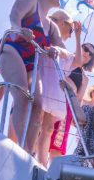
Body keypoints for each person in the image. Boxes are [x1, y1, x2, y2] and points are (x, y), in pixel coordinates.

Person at [0, 0, 65, 153]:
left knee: (38, 104)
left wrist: (56, 50)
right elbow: (14, 16)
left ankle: (29, 152)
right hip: (13, 49)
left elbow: (64, 49)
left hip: (31, 63)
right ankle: (23, 149)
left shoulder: (52, 26)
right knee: (22, 96)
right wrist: (19, 29)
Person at [34, 9, 83, 167]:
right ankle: (30, 156)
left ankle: (42, 164)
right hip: (41, 88)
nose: (70, 34)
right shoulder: (44, 35)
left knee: (48, 128)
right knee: (36, 124)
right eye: (70, 30)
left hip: (54, 92)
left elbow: (78, 61)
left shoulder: (63, 50)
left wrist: (77, 36)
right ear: (61, 23)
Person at [48, 42, 94, 162]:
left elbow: (78, 99)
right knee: (43, 131)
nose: (86, 53)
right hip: (52, 97)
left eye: (90, 54)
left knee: (57, 143)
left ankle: (50, 170)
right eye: (85, 49)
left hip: (67, 106)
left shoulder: (85, 78)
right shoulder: (69, 59)